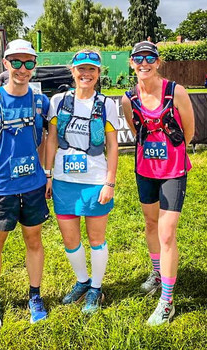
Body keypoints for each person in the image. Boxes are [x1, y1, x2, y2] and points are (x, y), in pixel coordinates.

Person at [0, 39, 50, 331]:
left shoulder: (41, 102)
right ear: (5, 64)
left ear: (34, 66)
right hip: (1, 186)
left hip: (33, 186)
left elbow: (44, 141)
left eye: (28, 62)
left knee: (34, 241)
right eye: (16, 62)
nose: (22, 68)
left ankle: (35, 296)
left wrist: (46, 174)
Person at [122, 41, 195, 326]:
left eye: (149, 57)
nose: (144, 63)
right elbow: (134, 129)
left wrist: (172, 156)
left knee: (166, 234)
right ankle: (156, 273)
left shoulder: (175, 91)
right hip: (145, 170)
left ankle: (167, 300)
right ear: (131, 63)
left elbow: (189, 131)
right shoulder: (129, 99)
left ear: (158, 61)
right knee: (151, 225)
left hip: (173, 171)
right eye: (138, 58)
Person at [45, 49, 119, 314]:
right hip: (64, 180)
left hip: (95, 181)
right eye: (81, 69)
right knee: (69, 239)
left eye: (92, 69)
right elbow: (51, 139)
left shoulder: (106, 104)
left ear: (99, 74)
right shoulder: (58, 101)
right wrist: (48, 175)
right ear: (72, 71)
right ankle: (82, 281)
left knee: (96, 237)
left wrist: (109, 182)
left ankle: (96, 289)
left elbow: (112, 145)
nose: (86, 74)